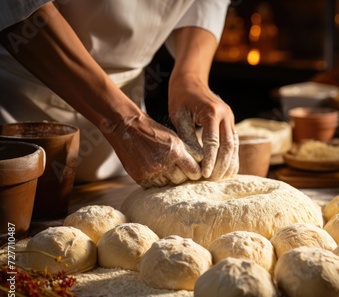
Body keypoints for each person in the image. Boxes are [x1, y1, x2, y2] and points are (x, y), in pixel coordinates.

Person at [0, 0, 239, 188]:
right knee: (13, 239)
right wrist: (123, 122)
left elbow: (205, 3)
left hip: (129, 129)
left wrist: (191, 77)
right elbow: (17, 6)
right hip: (23, 101)